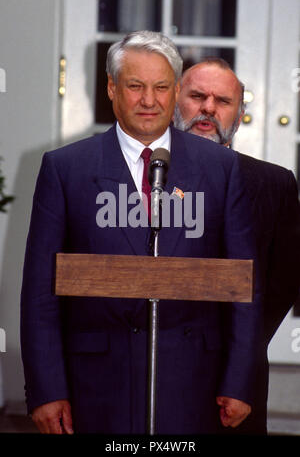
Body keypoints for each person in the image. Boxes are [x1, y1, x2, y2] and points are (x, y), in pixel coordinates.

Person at [21, 32, 262, 435]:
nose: (149, 100)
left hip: (193, 385)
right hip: (95, 386)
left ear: (175, 90)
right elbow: (40, 291)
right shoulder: (65, 169)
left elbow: (244, 287)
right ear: (112, 89)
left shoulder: (220, 169)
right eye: (135, 86)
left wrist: (240, 382)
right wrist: (46, 389)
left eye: (162, 87)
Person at [174, 57, 300, 434]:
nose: (208, 108)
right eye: (197, 96)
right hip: (145, 369)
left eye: (222, 101)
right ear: (174, 102)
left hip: (235, 378)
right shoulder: (139, 178)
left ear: (239, 114)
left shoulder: (275, 185)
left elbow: (283, 282)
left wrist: (239, 351)